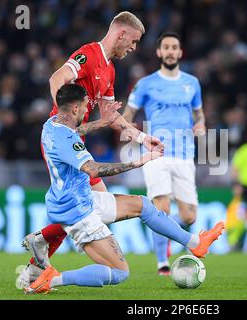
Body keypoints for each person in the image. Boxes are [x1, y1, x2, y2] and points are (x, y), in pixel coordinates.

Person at [24, 84, 224, 294]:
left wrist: (105, 121)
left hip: (78, 198)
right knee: (119, 272)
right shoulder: (64, 139)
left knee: (143, 205)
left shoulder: (52, 124)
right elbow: (92, 170)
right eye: (85, 107)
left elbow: (77, 130)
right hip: (77, 211)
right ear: (74, 108)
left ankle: (195, 243)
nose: (86, 111)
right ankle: (52, 279)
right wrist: (138, 162)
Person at [16, 11, 164, 288]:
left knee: (96, 209)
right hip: (62, 143)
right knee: (92, 208)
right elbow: (55, 80)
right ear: (121, 34)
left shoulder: (109, 69)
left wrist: (142, 138)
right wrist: (63, 123)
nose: (133, 48)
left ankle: (40, 247)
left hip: (77, 144)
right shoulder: (88, 55)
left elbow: (111, 117)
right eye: (133, 41)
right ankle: (39, 259)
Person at [122, 32, 206, 275]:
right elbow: (127, 115)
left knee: (189, 216)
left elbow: (199, 113)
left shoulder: (192, 82)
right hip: (156, 153)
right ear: (159, 52)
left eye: (174, 47)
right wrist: (132, 131)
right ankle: (162, 264)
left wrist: (200, 124)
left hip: (185, 154)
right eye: (166, 47)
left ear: (180, 53)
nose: (170, 51)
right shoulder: (145, 83)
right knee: (163, 209)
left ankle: (169, 232)